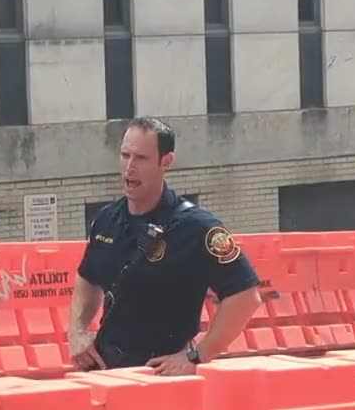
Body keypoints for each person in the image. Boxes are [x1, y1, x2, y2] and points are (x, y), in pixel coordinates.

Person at [68, 116, 263, 375]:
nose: (129, 168)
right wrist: (78, 332)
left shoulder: (197, 227)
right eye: (125, 155)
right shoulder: (106, 220)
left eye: (141, 158)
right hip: (106, 372)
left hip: (160, 376)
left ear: (166, 162)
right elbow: (88, 278)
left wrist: (197, 356)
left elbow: (246, 297)